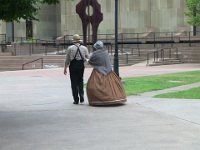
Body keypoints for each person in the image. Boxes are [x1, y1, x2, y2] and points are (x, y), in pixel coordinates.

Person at [87, 41, 126, 106]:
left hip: (98, 71)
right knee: (113, 85)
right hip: (109, 71)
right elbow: (109, 61)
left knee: (93, 86)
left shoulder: (95, 54)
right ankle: (115, 98)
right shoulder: (106, 53)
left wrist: (88, 60)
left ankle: (100, 100)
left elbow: (91, 61)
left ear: (96, 47)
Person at [64, 34, 89, 104]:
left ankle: (76, 99)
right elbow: (88, 57)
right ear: (79, 41)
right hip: (81, 65)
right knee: (80, 80)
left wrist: (65, 68)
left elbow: (67, 59)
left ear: (73, 41)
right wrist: (85, 61)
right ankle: (81, 96)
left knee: (74, 82)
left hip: (73, 66)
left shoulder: (70, 48)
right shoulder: (84, 48)